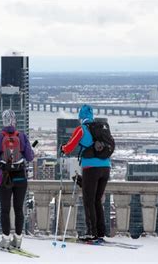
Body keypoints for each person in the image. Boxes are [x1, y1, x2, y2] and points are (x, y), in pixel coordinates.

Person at [60, 104, 111, 242]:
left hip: (91, 168)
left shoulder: (81, 129)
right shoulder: (101, 128)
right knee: (97, 200)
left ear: (81, 117)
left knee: (89, 201)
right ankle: (100, 232)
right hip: (106, 167)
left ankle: (91, 233)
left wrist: (62, 149)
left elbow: (69, 146)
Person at [0, 109, 34, 249]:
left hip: (4, 177)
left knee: (5, 209)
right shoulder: (21, 136)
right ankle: (18, 240)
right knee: (19, 209)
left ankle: (5, 239)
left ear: (3, 121)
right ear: (15, 121)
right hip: (20, 176)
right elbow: (30, 157)